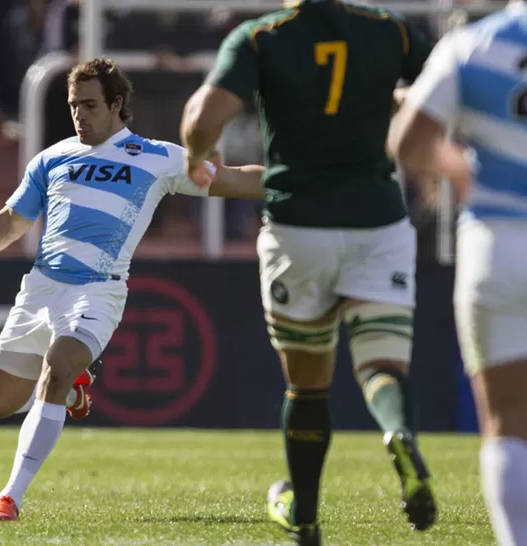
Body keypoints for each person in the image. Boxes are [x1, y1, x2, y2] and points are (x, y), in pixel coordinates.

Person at [0, 58, 264, 522]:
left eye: (90, 105)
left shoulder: (157, 157)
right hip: (39, 290)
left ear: (117, 105)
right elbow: (11, 223)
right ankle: (74, 389)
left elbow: (233, 178)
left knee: (56, 368)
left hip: (96, 291)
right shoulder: (51, 159)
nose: (79, 114)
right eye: (74, 105)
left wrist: (297, 182)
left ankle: (10, 496)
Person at [179, 1, 435, 543]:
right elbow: (439, 95)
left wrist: (197, 155)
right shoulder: (391, 31)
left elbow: (203, 118)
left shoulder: (260, 36)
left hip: (299, 223)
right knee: (381, 364)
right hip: (379, 221)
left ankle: (309, 518)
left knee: (308, 385)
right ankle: (399, 431)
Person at [388, 2, 527, 544]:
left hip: (496, 244)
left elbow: (409, 140)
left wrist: (460, 170)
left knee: (508, 421)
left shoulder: (474, 43)